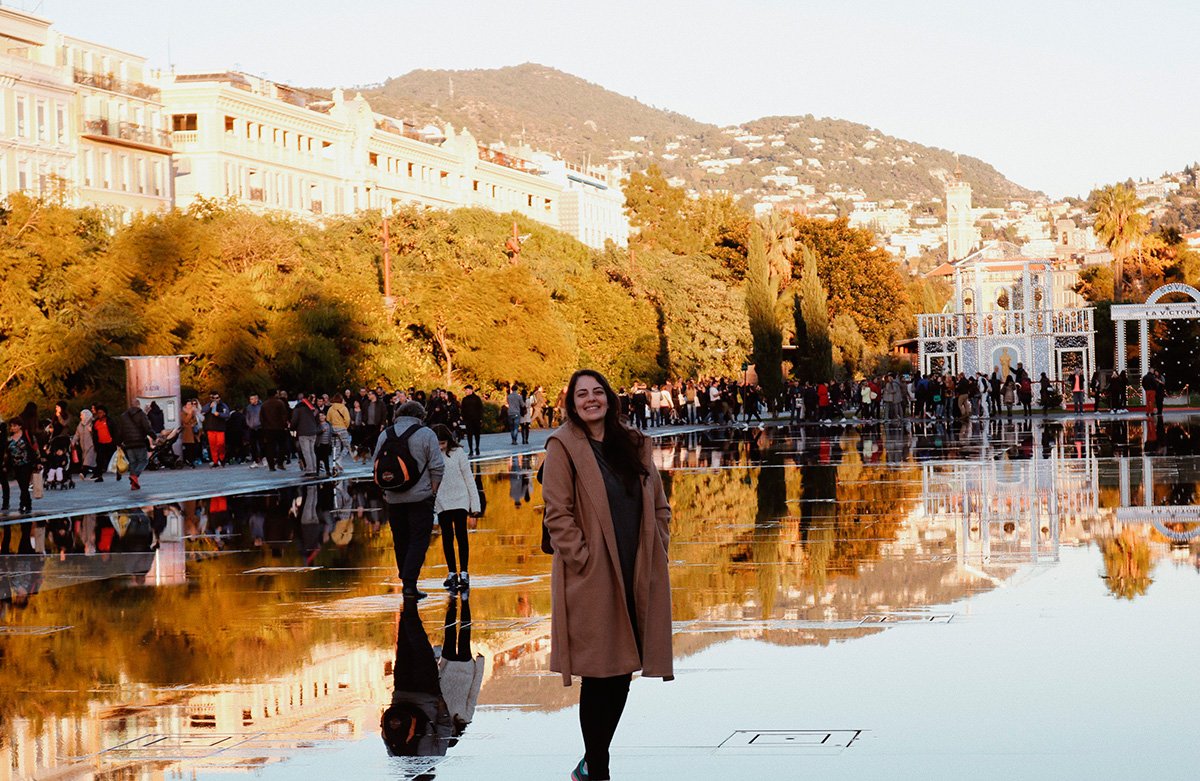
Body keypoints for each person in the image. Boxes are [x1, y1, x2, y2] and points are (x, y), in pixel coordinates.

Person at [542, 369, 673, 781]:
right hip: (595, 572)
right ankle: (598, 763)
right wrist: (581, 558)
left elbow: (658, 502)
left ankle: (593, 758)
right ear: (572, 402)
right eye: (582, 394)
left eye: (598, 392)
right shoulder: (562, 446)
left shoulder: (632, 442)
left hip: (636, 567)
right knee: (599, 673)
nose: (591, 399)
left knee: (622, 670)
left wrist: (660, 544)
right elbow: (556, 512)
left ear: (609, 399)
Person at [375, 401, 444, 600]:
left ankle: (406, 582)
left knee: (400, 540)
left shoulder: (385, 434)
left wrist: (386, 490)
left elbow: (377, 464)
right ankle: (410, 582)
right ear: (420, 415)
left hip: (393, 497)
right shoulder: (426, 434)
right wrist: (433, 490)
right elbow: (437, 466)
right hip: (420, 498)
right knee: (418, 540)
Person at [432, 424, 481, 592]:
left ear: (449, 441)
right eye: (437, 443)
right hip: (442, 500)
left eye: (443, 443)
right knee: (447, 536)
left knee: (461, 535)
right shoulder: (431, 455)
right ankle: (452, 572)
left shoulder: (458, 453)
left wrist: (475, 505)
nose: (440, 447)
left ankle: (464, 572)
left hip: (460, 498)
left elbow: (469, 478)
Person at [116, 402, 154, 491]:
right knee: (143, 461)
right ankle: (134, 476)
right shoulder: (141, 414)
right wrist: (154, 436)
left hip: (128, 443)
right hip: (139, 442)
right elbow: (147, 428)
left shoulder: (123, 416)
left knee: (133, 462)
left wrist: (119, 442)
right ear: (138, 405)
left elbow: (120, 430)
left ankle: (134, 484)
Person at [5, 420, 36, 514]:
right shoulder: (9, 439)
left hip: (26, 464)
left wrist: (38, 461)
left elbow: (35, 448)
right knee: (22, 485)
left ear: (20, 426)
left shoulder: (27, 436)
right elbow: (7, 453)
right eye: (11, 426)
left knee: (24, 484)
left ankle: (23, 504)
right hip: (15, 465)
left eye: (14, 426)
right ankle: (27, 502)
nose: (12, 428)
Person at [291, 392, 321, 477]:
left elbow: (294, 421)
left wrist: (292, 428)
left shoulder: (298, 408)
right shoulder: (312, 408)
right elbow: (317, 420)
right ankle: (314, 468)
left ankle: (310, 470)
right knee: (312, 451)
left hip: (303, 432)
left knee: (306, 452)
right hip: (313, 431)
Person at [260, 390, 290, 471]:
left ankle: (271, 466)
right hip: (279, 428)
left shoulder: (264, 405)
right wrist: (285, 425)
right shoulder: (280, 403)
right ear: (274, 394)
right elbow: (284, 415)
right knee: (282, 446)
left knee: (269, 448)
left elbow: (261, 418)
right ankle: (280, 463)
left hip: (268, 429)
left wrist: (264, 427)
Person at [202, 392, 230, 467]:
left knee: (221, 444)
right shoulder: (208, 405)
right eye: (213, 398)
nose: (215, 399)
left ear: (219, 398)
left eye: (216, 398)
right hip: (210, 428)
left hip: (220, 428)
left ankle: (222, 458)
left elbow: (227, 415)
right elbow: (202, 411)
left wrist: (219, 414)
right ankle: (215, 461)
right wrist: (209, 407)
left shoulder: (223, 405)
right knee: (212, 446)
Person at [92, 405, 115, 482]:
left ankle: (118, 472)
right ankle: (99, 476)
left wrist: (116, 441)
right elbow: (94, 433)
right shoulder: (96, 422)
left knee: (112, 458)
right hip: (100, 444)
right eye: (98, 413)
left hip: (110, 443)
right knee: (99, 460)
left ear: (104, 413)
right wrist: (95, 443)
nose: (99, 414)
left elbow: (115, 431)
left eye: (100, 413)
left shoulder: (110, 421)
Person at [72, 408, 96, 479]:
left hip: (91, 445)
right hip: (83, 446)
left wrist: (92, 431)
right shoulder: (80, 424)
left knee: (88, 460)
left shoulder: (92, 423)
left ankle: (83, 473)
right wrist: (73, 441)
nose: (80, 417)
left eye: (81, 415)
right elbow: (77, 434)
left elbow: (96, 434)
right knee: (89, 461)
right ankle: (96, 472)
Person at [460, 385, 484, 456]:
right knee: (469, 435)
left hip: (476, 419)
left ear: (471, 390)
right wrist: (463, 417)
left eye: (467, 390)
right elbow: (462, 409)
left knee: (477, 434)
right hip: (468, 420)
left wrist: (481, 418)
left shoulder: (477, 398)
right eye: (465, 390)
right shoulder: (464, 399)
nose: (465, 392)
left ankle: (477, 447)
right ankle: (470, 449)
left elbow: (480, 408)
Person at [244, 394, 264, 467]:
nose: (251, 401)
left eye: (252, 399)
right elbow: (247, 417)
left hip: (260, 427)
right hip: (252, 428)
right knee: (253, 445)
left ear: (256, 399)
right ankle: (255, 460)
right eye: (250, 399)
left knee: (262, 444)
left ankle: (264, 458)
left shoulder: (261, 406)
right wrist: (249, 424)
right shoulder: (248, 407)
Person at [314, 411, 334, 477]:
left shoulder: (328, 424)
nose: (321, 417)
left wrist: (335, 434)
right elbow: (315, 432)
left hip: (327, 444)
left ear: (325, 416)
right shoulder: (317, 424)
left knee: (326, 458)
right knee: (318, 458)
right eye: (320, 416)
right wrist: (321, 431)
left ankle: (327, 471)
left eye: (323, 415)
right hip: (319, 444)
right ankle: (317, 472)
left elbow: (331, 432)